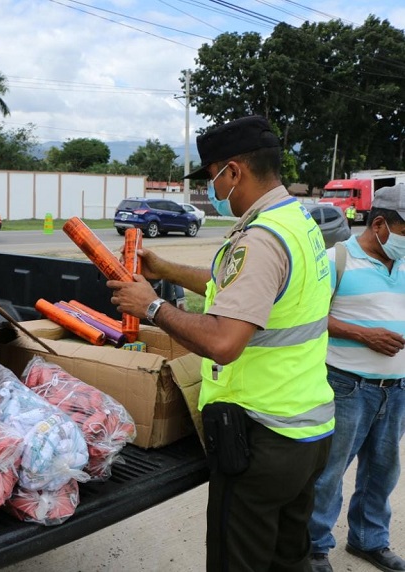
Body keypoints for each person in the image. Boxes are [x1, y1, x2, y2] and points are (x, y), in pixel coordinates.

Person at [107, 115, 334, 571]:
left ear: (234, 171)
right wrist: (165, 270)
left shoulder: (262, 238)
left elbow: (226, 342)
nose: (210, 189)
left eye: (211, 177)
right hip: (307, 433)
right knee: (289, 561)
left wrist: (151, 307)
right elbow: (235, 287)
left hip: (262, 436)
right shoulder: (295, 222)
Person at [307, 185, 405, 572]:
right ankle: (314, 547)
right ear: (380, 223)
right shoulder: (337, 260)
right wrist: (364, 334)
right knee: (329, 473)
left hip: (396, 390)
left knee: (382, 471)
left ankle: (368, 539)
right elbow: (310, 318)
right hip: (347, 387)